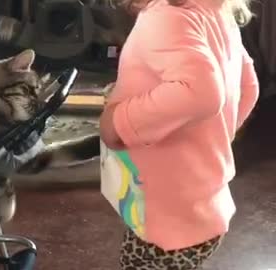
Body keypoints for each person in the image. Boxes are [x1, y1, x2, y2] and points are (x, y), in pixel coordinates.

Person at [98, 0, 259, 269]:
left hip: (167, 215)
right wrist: (217, 136)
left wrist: (118, 123)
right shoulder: (217, 11)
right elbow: (249, 87)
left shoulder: (164, 17)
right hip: (203, 203)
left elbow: (202, 93)